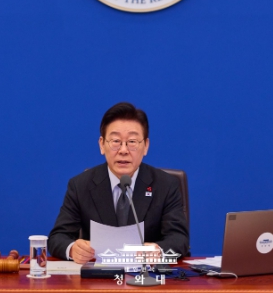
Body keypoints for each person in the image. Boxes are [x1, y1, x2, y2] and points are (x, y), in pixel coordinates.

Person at [48, 102, 189, 263]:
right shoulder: (80, 185)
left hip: (147, 274)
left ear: (145, 146)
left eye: (132, 142)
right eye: (116, 141)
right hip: (98, 275)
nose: (123, 150)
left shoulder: (166, 185)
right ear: (102, 145)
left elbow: (179, 239)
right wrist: (73, 249)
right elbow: (57, 237)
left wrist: (158, 250)